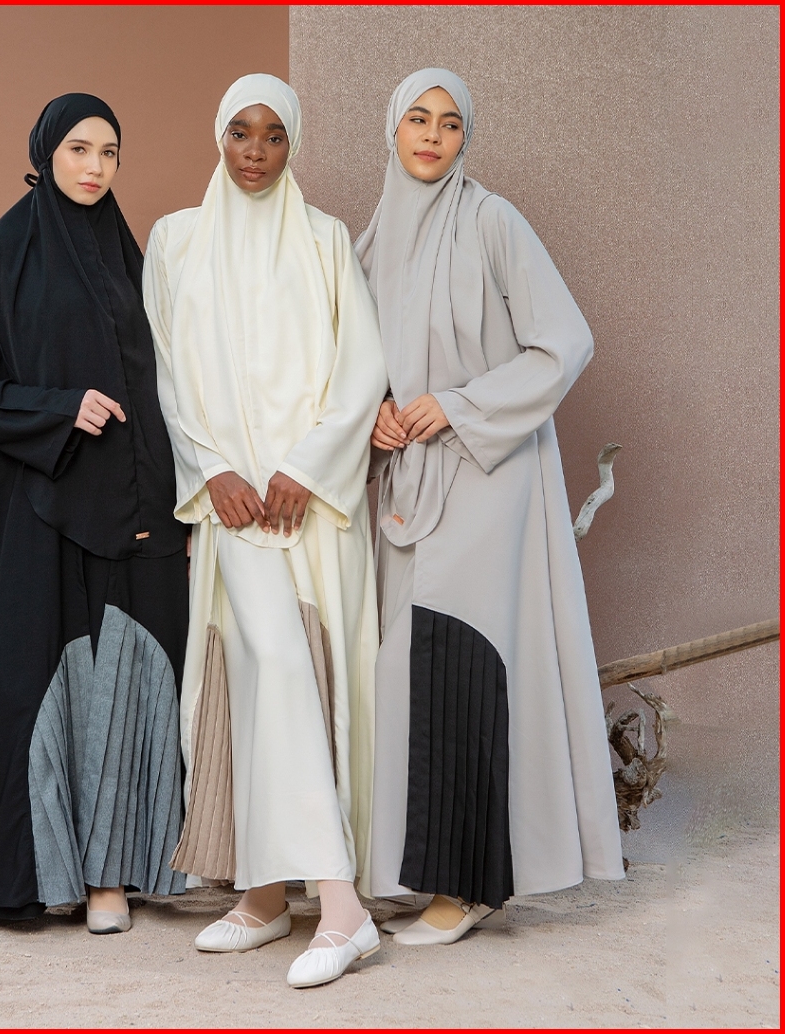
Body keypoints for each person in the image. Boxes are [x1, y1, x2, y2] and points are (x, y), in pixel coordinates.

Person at [0, 94, 189, 935]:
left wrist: (168, 503)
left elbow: (158, 381)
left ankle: (108, 877)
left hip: (125, 508)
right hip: (35, 502)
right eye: (80, 148)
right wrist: (58, 408)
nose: (95, 166)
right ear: (46, 150)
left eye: (110, 152)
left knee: (114, 685)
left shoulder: (127, 255)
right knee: (20, 683)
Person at [356, 69, 624, 947]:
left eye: (449, 123)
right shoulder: (372, 241)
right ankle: (420, 867)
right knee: (408, 669)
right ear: (393, 130)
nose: (432, 136)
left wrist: (460, 405)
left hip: (489, 477)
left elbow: (564, 342)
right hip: (410, 481)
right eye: (417, 119)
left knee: (464, 658)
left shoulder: (493, 221)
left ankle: (466, 884)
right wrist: (377, 415)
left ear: (465, 138)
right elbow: (359, 363)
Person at [142, 74, 389, 988]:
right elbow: (165, 372)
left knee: (292, 673)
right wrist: (212, 470)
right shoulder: (175, 240)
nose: (255, 150)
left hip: (307, 507)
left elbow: (362, 367)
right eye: (241, 132)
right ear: (219, 135)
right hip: (232, 507)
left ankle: (323, 904)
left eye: (274, 135)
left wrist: (308, 468)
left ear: (293, 145)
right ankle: (278, 895)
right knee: (258, 673)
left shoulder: (325, 240)